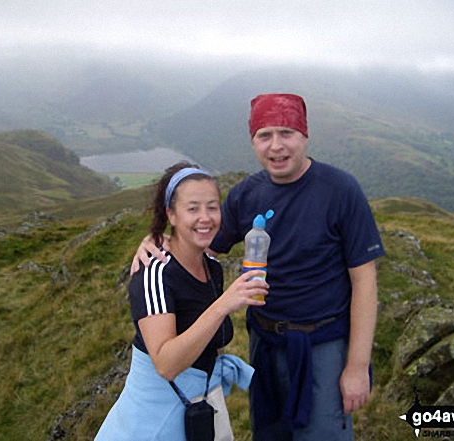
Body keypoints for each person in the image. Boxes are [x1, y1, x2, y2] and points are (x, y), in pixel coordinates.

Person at [131, 94, 385, 441]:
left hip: (323, 345)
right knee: (269, 433)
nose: (276, 146)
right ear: (253, 141)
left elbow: (365, 281)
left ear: (304, 137)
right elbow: (202, 242)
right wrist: (158, 240)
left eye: (287, 133)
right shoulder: (245, 195)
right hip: (264, 343)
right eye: (264, 135)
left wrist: (356, 366)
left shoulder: (341, 191)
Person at [96, 162, 269, 441]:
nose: (205, 217)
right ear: (171, 215)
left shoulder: (211, 267)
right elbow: (166, 365)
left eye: (212, 207)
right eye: (193, 208)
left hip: (200, 407)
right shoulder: (155, 274)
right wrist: (224, 305)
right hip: (152, 423)